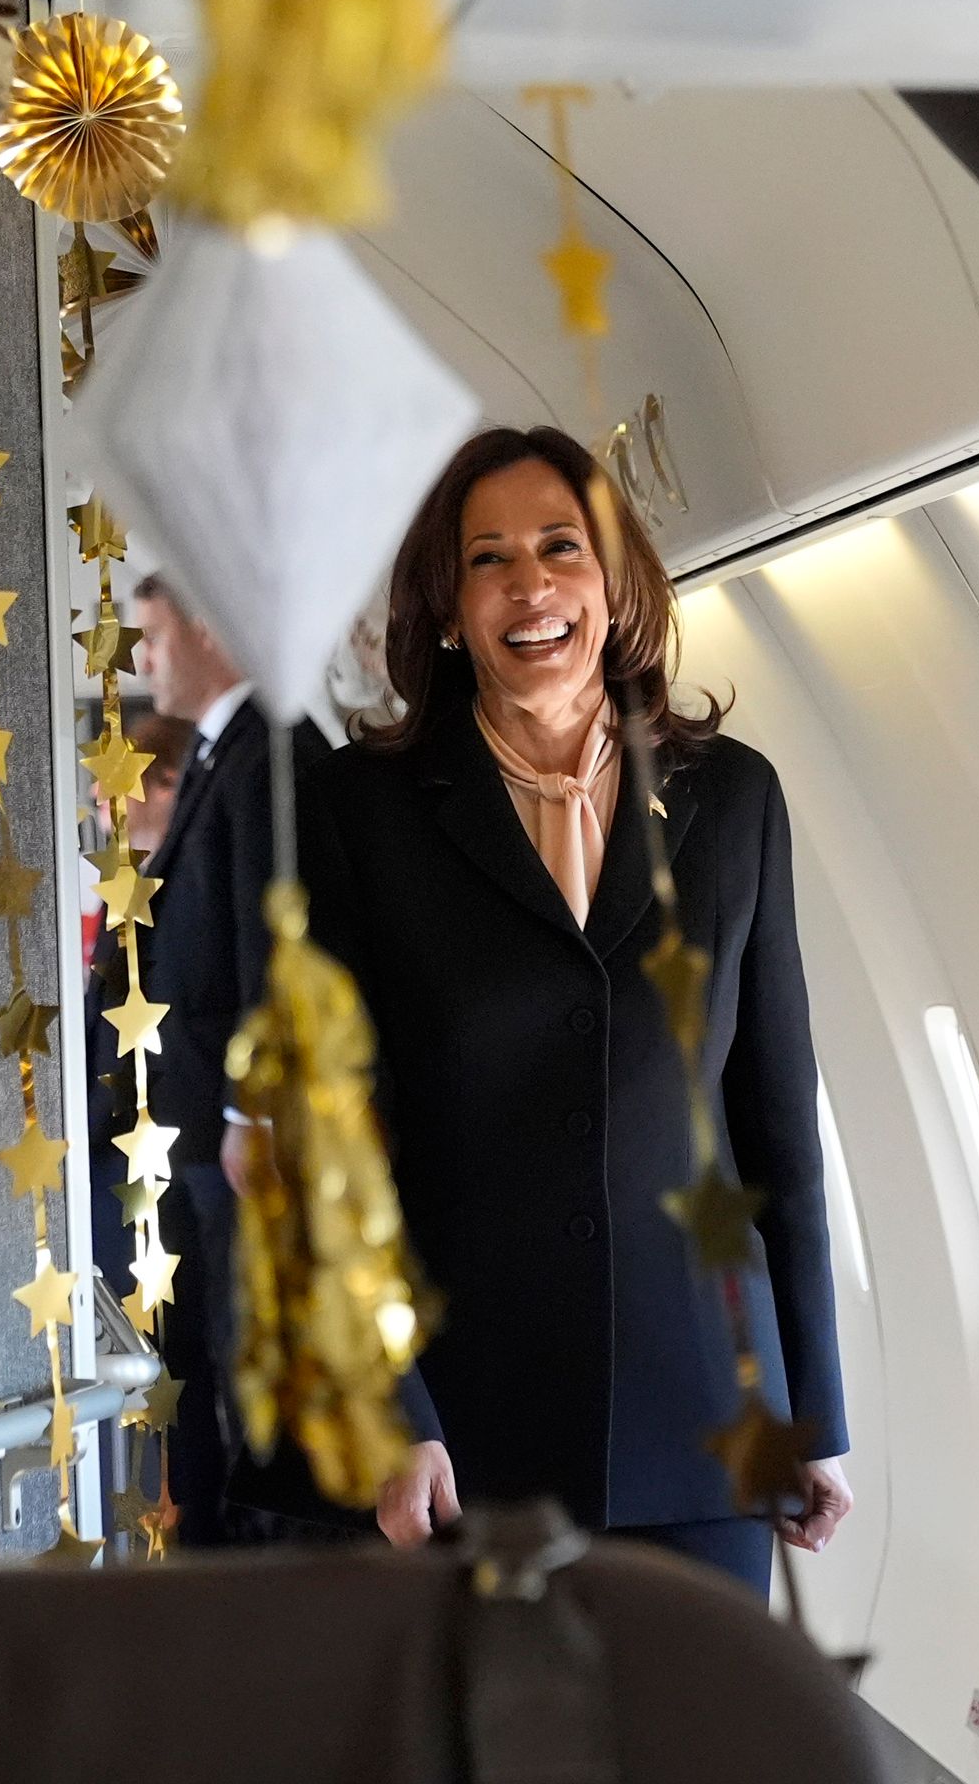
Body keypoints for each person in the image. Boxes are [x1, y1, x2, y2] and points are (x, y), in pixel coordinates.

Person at [294, 424, 852, 1592]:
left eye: (562, 546)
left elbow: (775, 1132)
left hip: (708, 1414)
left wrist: (818, 1407)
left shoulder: (734, 797)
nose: (530, 584)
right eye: (489, 557)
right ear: (449, 605)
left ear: (617, 583)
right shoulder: (360, 810)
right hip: (469, 1425)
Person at [126, 569, 329, 1546]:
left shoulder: (276, 751)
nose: (143, 656)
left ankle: (258, 1568)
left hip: (241, 1141)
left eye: (152, 634)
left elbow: (283, 951)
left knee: (249, 1377)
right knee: (209, 1357)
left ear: (207, 624)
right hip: (206, 1130)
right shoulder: (224, 754)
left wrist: (255, 1115)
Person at [86, 711, 196, 1300]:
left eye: (118, 787)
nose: (103, 806)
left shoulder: (185, 892)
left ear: (169, 783)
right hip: (112, 1147)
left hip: (158, 1145)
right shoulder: (130, 887)